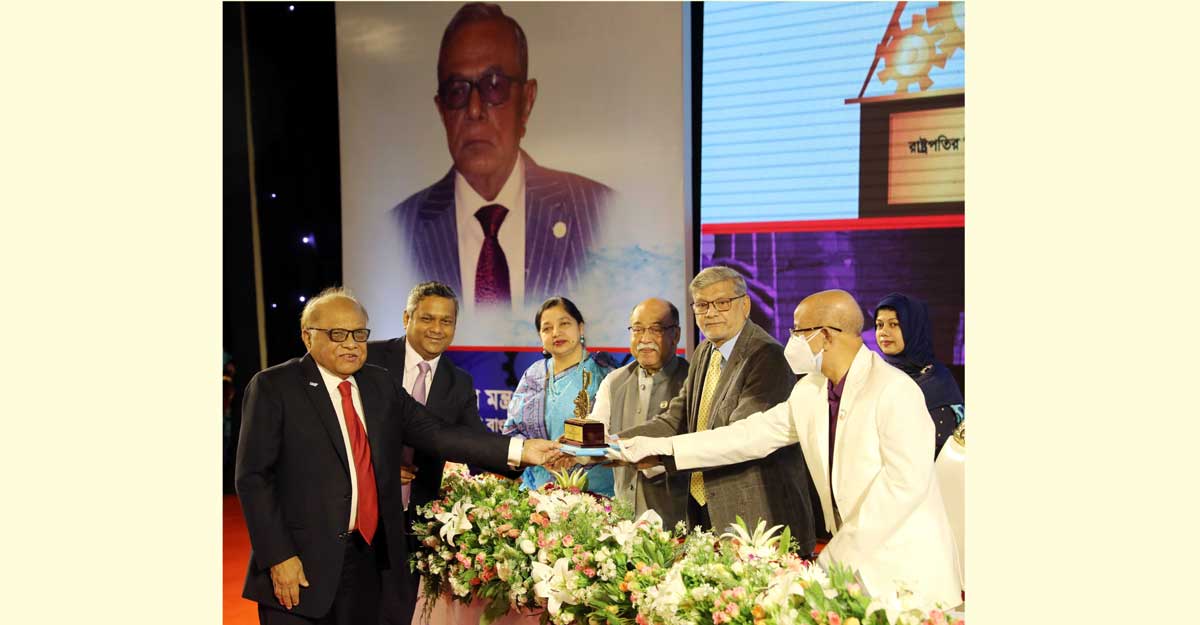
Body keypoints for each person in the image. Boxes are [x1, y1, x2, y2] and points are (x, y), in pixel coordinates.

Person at [612, 290, 962, 607]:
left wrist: (835, 556)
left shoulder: (894, 390)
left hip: (906, 567)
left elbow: (903, 487)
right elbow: (748, 436)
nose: (790, 341)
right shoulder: (811, 390)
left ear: (825, 335)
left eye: (798, 332)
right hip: (853, 569)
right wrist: (663, 448)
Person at [235, 287, 561, 624]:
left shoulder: (379, 383)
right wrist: (278, 556)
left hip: (367, 560)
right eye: (337, 334)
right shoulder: (274, 387)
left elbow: (438, 433)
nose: (351, 344)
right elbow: (253, 479)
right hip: (300, 564)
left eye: (359, 334)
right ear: (308, 336)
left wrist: (521, 449)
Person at [393, 2, 613, 311]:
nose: (474, 109)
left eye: (493, 86)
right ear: (442, 110)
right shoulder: (400, 229)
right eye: (457, 90)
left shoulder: (598, 212)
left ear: (527, 101)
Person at [615, 267, 817, 555]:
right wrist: (611, 444)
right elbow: (676, 419)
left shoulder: (767, 355)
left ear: (744, 305)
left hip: (756, 517)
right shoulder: (704, 351)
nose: (710, 313)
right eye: (701, 305)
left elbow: (738, 439)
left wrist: (659, 452)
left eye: (722, 303)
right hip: (704, 508)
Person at [364, 281, 497, 625]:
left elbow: (475, 442)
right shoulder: (369, 359)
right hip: (361, 514)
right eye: (427, 318)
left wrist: (524, 459)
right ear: (406, 318)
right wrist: (378, 466)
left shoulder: (459, 381)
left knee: (399, 612)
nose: (437, 329)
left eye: (446, 321)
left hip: (416, 522)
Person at [585, 297, 689, 527]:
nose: (645, 338)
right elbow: (596, 429)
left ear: (676, 335)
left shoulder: (692, 381)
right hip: (623, 520)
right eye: (638, 329)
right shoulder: (613, 381)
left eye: (656, 329)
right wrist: (576, 443)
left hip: (676, 520)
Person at [503, 296, 615, 496]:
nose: (556, 332)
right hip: (537, 492)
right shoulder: (533, 375)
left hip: (592, 496)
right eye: (547, 328)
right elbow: (512, 432)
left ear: (580, 328)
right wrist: (533, 453)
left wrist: (575, 451)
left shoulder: (604, 374)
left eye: (564, 324)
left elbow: (619, 436)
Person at [873, 293, 964, 457]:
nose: (883, 332)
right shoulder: (874, 375)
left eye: (894, 324)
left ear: (913, 328)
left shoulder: (938, 381)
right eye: (879, 325)